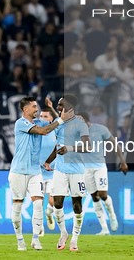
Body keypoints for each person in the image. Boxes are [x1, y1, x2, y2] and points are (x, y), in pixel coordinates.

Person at [8, 96, 63, 251]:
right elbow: (44, 132)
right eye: (33, 107)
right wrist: (60, 120)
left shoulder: (40, 122)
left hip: (35, 171)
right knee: (17, 207)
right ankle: (20, 241)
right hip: (18, 171)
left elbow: (59, 124)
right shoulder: (21, 123)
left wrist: (54, 110)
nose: (37, 109)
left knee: (38, 204)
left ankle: (35, 239)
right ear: (25, 109)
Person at [44, 94, 91, 252]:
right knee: (57, 204)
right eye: (57, 105)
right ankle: (63, 233)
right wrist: (48, 161)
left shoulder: (80, 124)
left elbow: (88, 147)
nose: (57, 107)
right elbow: (58, 146)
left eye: (60, 105)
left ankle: (75, 239)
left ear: (69, 107)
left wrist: (69, 148)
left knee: (77, 206)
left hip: (77, 171)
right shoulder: (59, 124)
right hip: (60, 170)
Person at [79, 111, 127, 235]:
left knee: (103, 195)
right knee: (94, 197)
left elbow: (114, 143)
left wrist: (122, 161)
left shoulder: (100, 129)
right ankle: (104, 229)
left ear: (85, 120)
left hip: (99, 166)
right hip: (85, 169)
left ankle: (111, 214)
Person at [38, 104, 58, 235]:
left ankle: (49, 212)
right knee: (38, 201)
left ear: (51, 119)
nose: (42, 118)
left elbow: (61, 121)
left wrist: (52, 109)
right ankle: (39, 226)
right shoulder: (36, 131)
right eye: (40, 116)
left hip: (52, 172)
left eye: (45, 116)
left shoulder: (56, 131)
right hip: (37, 172)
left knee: (53, 199)